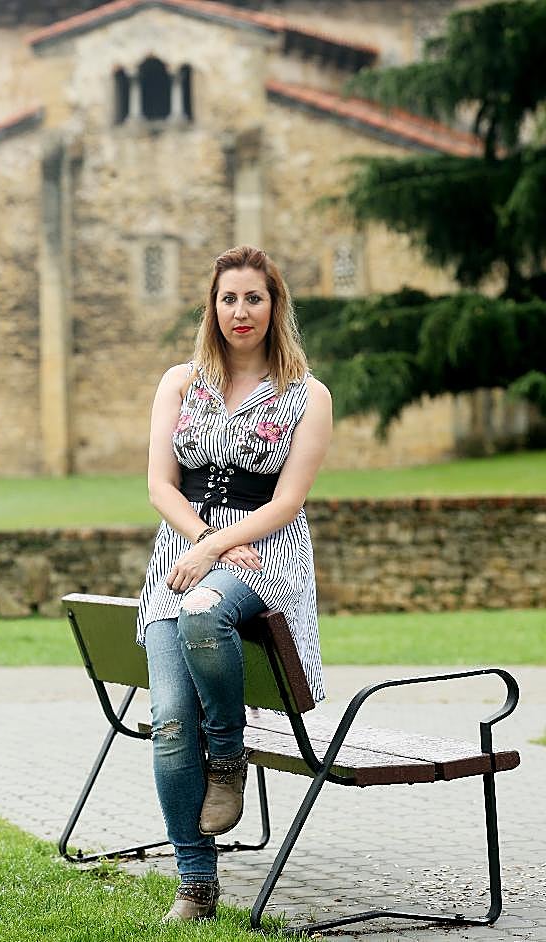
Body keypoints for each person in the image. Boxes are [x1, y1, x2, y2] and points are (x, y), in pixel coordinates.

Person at [136, 245, 333, 922]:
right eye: (228, 299)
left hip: (264, 555)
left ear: (275, 306)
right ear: (212, 308)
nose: (240, 311)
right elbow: (160, 485)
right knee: (169, 722)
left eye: (254, 297)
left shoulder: (307, 395)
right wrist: (202, 541)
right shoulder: (179, 382)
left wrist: (221, 546)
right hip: (183, 553)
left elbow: (288, 502)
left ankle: (226, 755)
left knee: (204, 609)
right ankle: (195, 885)